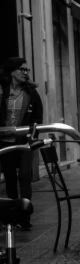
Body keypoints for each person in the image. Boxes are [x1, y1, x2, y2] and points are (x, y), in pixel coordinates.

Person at [0, 57, 44, 228]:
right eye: (22, 70)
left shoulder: (31, 92)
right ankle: (10, 216)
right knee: (10, 178)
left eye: (27, 70)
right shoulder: (2, 91)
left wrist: (31, 135)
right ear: (12, 72)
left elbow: (37, 118)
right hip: (4, 141)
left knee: (24, 176)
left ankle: (25, 217)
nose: (25, 73)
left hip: (24, 140)